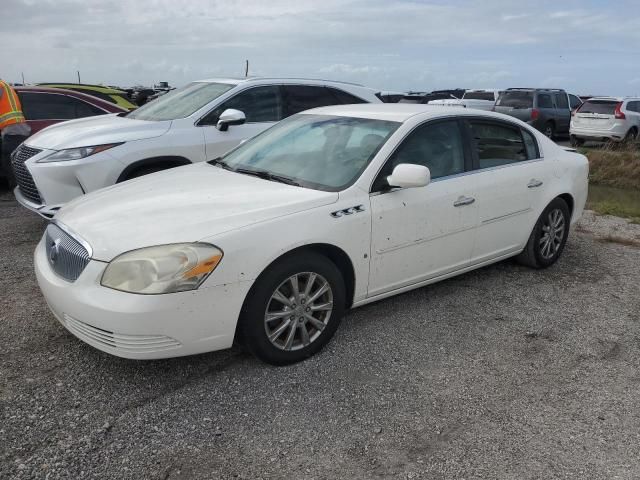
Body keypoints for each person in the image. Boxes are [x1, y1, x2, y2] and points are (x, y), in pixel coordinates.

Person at [0, 79, 31, 187]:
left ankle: (20, 191)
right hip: (16, 130)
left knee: (11, 166)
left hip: (13, 132)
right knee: (15, 165)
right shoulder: (4, 85)